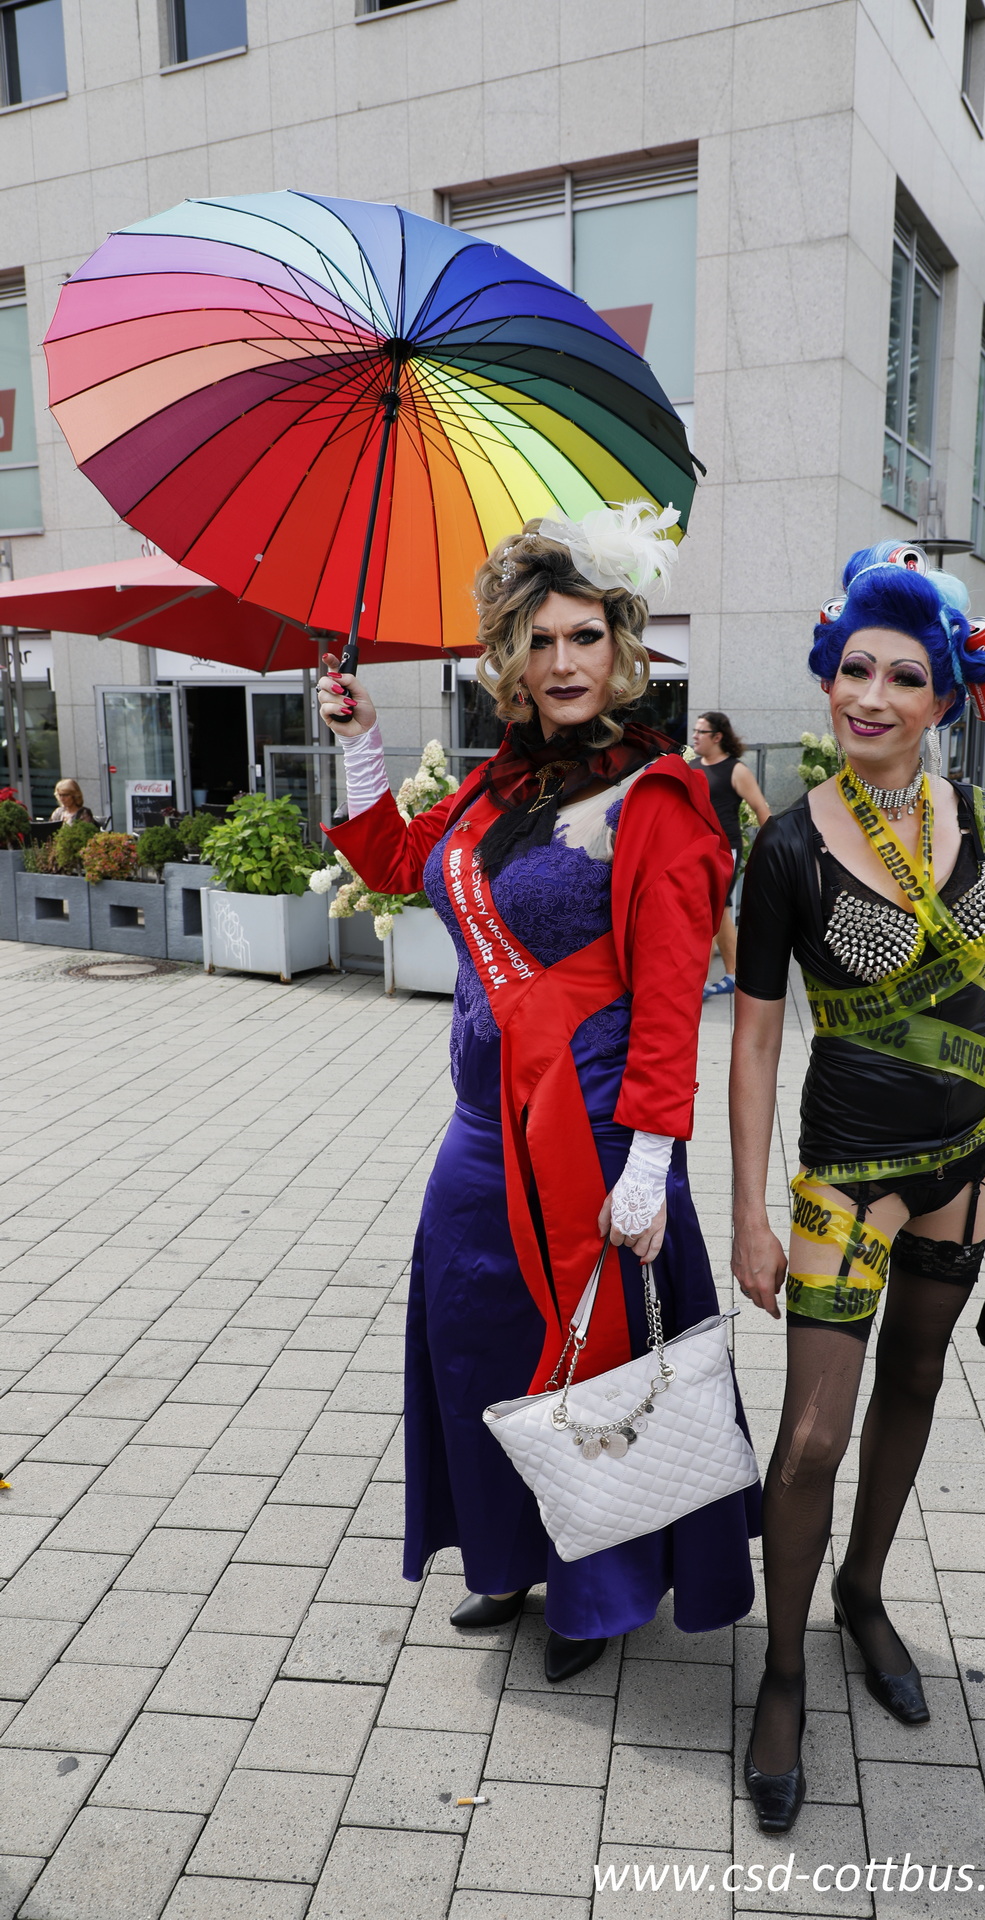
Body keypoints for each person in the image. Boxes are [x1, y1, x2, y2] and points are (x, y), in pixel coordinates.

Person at [317, 504, 759, 1685]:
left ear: (621, 647)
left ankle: (595, 1593)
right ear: (509, 658)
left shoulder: (659, 797)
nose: (564, 662)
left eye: (584, 637)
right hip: (479, 1137)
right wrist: (360, 740)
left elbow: (670, 997)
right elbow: (397, 866)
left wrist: (652, 1164)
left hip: (597, 1141)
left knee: (592, 1366)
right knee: (478, 1350)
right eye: (539, 640)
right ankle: (505, 1557)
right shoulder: (492, 792)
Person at [728, 543, 985, 1832]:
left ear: (941, 699)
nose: (869, 695)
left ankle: (862, 1591)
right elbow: (753, 1040)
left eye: (901, 676)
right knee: (812, 1435)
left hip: (966, 1161)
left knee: (916, 1379)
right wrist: (747, 1212)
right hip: (848, 1175)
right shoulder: (784, 848)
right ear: (827, 679)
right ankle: (781, 1670)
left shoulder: (984, 823)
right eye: (852, 668)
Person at [691, 711, 771, 997]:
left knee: (710, 911)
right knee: (721, 911)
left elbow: (761, 809)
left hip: (725, 851)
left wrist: (771, 849)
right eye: (695, 730)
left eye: (701, 732)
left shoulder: (736, 770)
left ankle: (698, 983)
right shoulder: (692, 766)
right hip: (697, 850)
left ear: (717, 736)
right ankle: (734, 975)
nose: (694, 736)